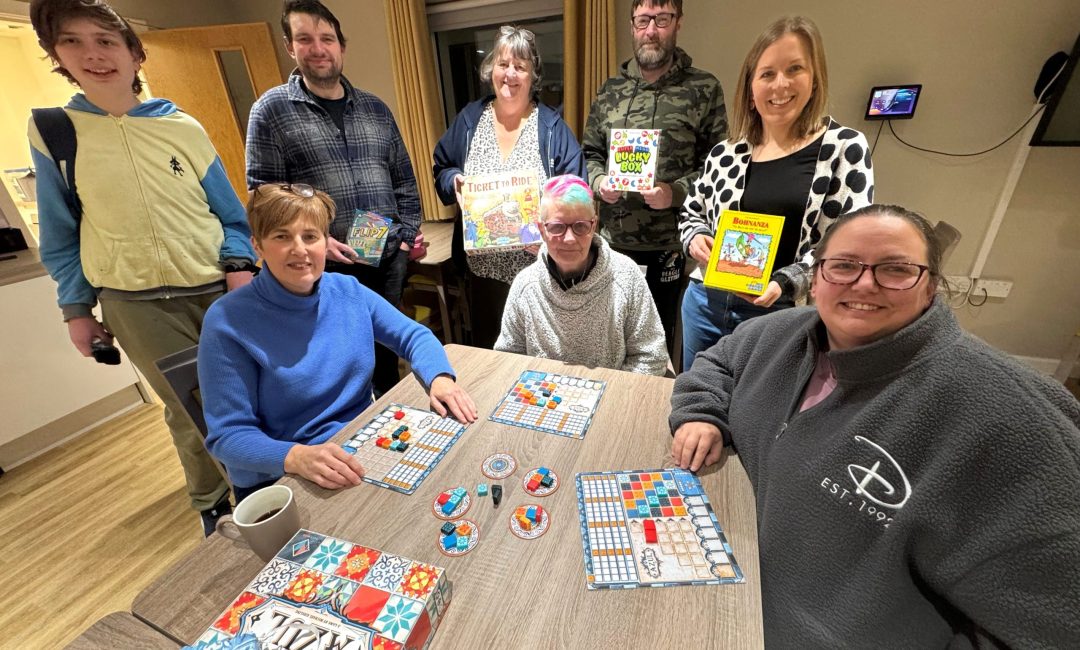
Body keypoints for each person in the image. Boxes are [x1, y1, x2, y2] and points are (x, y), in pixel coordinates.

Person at [669, 204, 1080, 647]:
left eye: (896, 269)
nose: (864, 283)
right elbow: (716, 362)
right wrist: (702, 413)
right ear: (817, 276)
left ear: (932, 287)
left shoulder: (1013, 418)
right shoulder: (780, 331)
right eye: (844, 265)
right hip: (726, 602)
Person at [28, 0, 257, 536]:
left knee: (243, 390)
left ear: (134, 52)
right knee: (187, 406)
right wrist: (75, 309)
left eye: (106, 41)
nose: (93, 54)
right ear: (57, 55)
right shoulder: (56, 133)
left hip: (215, 287)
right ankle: (213, 503)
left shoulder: (183, 128)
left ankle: (257, 483)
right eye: (74, 42)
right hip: (134, 300)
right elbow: (59, 232)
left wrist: (239, 266)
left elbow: (229, 214)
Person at [198, 184, 477, 502]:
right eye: (281, 236)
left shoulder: (348, 290)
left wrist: (439, 378)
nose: (300, 249)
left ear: (325, 243)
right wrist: (295, 456)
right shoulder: (227, 320)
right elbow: (229, 436)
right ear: (257, 246)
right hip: (286, 475)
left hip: (363, 443)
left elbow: (414, 336)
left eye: (310, 236)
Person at [679, 15, 874, 367]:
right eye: (767, 73)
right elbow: (692, 213)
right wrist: (695, 238)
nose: (780, 85)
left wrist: (786, 283)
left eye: (794, 69)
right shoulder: (726, 153)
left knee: (761, 412)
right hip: (705, 303)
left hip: (782, 311)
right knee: (697, 401)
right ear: (751, 89)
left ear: (814, 81)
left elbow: (847, 248)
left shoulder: (844, 148)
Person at [246, 0, 419, 395]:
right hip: (320, 266)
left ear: (341, 46)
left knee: (385, 357)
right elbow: (265, 198)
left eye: (327, 38)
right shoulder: (270, 111)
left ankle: (389, 432)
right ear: (290, 47)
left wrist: (405, 236)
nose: (318, 48)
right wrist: (319, 241)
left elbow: (405, 180)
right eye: (305, 39)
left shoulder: (376, 109)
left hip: (385, 259)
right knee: (335, 364)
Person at [582, 0, 727, 360]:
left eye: (662, 20)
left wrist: (674, 193)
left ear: (677, 23)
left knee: (658, 342)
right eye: (644, 20)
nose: (651, 30)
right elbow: (590, 155)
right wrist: (600, 183)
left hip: (672, 246)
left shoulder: (704, 88)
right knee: (609, 336)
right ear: (632, 25)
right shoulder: (609, 91)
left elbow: (720, 168)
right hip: (612, 244)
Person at [433, 25, 586, 349]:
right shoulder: (470, 120)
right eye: (503, 64)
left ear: (533, 76)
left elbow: (577, 192)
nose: (510, 74)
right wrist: (455, 181)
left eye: (520, 66)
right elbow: (442, 167)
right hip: (482, 277)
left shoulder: (551, 129)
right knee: (492, 360)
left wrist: (551, 230)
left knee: (541, 360)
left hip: (539, 276)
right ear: (491, 70)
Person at [495, 175, 668, 375]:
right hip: (544, 398)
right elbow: (508, 357)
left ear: (593, 225)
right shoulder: (525, 285)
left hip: (610, 396)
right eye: (557, 227)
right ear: (542, 230)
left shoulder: (627, 276)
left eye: (580, 226)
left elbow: (651, 357)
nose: (569, 239)